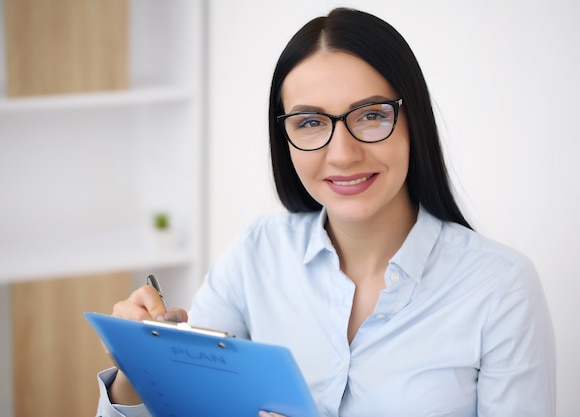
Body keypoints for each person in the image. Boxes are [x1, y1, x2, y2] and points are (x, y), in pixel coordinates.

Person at [96, 7, 556, 417]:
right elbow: (190, 403)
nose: (342, 153)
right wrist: (138, 368)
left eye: (371, 114)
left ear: (412, 120)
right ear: (286, 138)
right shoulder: (256, 254)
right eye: (311, 122)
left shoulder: (500, 288)